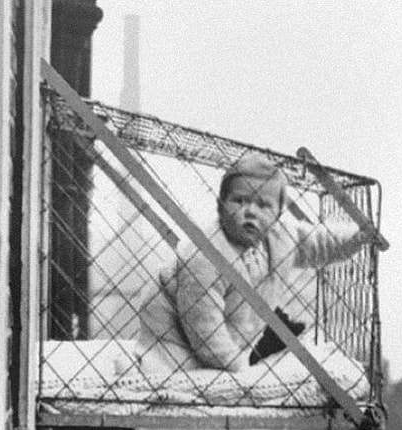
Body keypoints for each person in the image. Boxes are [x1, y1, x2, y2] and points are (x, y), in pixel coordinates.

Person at [136, 153, 376, 374]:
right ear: (220, 205)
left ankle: (228, 362)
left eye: (263, 205)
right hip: (170, 329)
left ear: (279, 213)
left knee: (225, 362)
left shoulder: (281, 238)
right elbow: (205, 330)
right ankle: (149, 362)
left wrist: (356, 238)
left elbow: (319, 243)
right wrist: (240, 371)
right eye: (239, 201)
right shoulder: (204, 256)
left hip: (234, 328)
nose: (250, 211)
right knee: (173, 370)